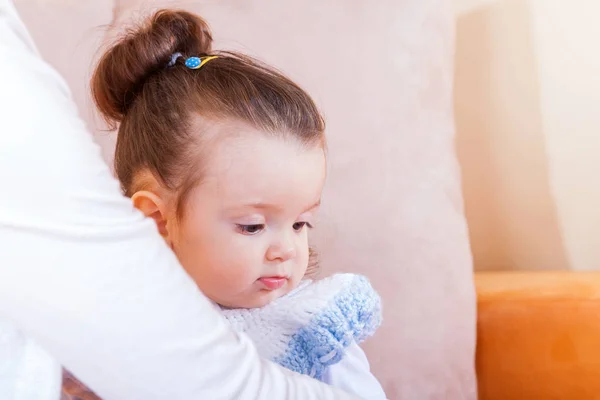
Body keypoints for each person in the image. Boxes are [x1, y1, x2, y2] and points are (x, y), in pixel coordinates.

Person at [0, 1, 359, 398]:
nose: (287, 250)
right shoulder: (102, 325)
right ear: (156, 219)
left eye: (300, 224)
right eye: (253, 226)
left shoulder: (312, 330)